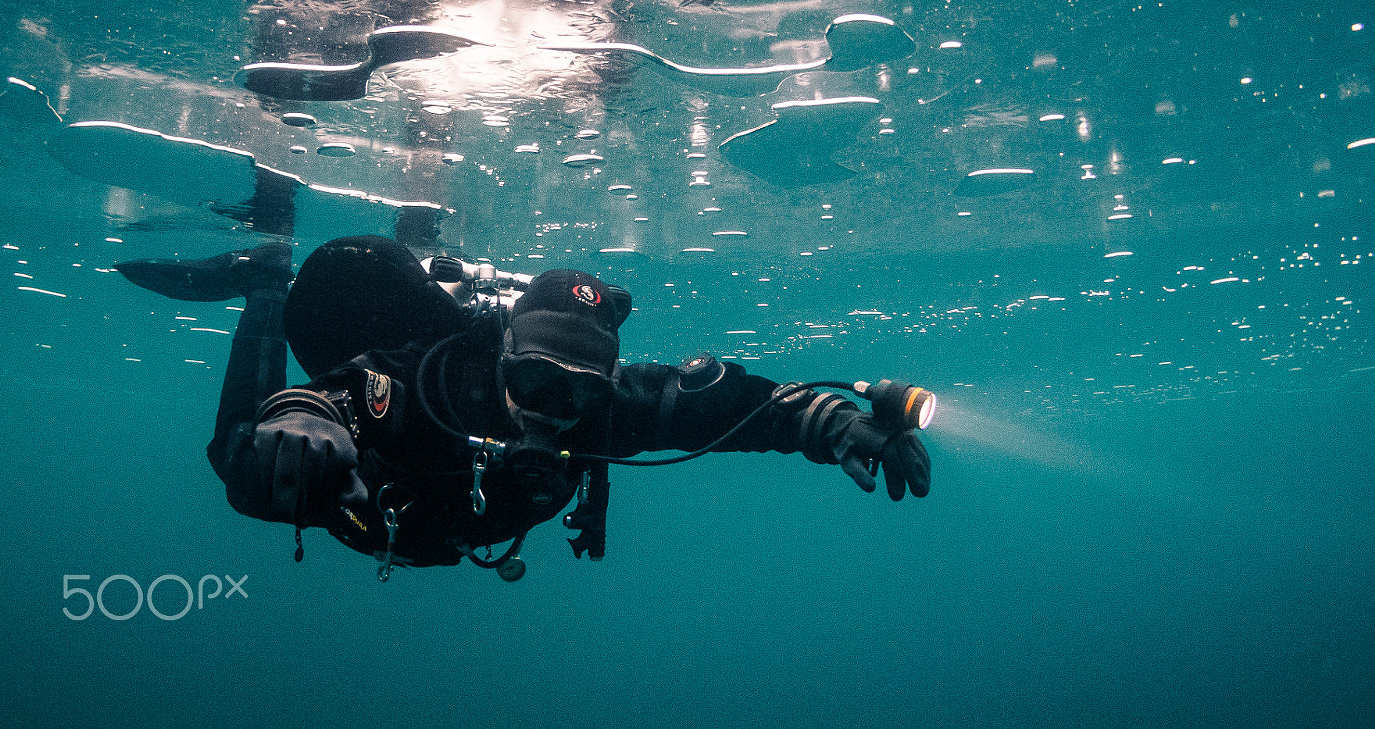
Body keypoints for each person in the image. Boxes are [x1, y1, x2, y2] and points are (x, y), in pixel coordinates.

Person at [116, 235, 930, 579]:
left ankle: (417, 224)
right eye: (537, 383)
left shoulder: (611, 409)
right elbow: (347, 393)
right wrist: (304, 418)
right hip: (363, 502)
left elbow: (745, 411)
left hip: (415, 533)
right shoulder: (437, 377)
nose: (555, 412)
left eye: (579, 394)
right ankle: (265, 276)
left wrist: (837, 424)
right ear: (503, 358)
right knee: (243, 456)